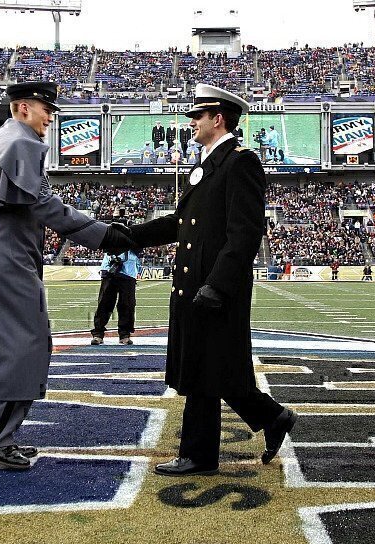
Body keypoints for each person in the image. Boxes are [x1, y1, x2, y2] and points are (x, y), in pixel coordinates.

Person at [0, 81, 133, 470]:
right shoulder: (21, 142)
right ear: (24, 108)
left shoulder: (9, 140)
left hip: (6, 249)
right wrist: (101, 233)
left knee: (6, 344)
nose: (51, 116)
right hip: (11, 255)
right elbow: (44, 204)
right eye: (46, 109)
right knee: (20, 346)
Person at [126, 83, 297, 476]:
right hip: (195, 284)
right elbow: (180, 224)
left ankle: (200, 455)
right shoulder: (203, 165)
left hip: (216, 289)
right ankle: (274, 418)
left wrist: (218, 285)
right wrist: (130, 234)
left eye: (197, 117)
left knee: (207, 370)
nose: (192, 123)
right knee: (216, 369)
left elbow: (244, 234)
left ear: (217, 119)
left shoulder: (241, 162)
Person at [91, 241, 141, 345]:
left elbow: (140, 247)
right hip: (110, 269)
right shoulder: (111, 231)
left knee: (127, 304)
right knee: (104, 303)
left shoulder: (134, 235)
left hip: (129, 271)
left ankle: (124, 334)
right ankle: (98, 334)